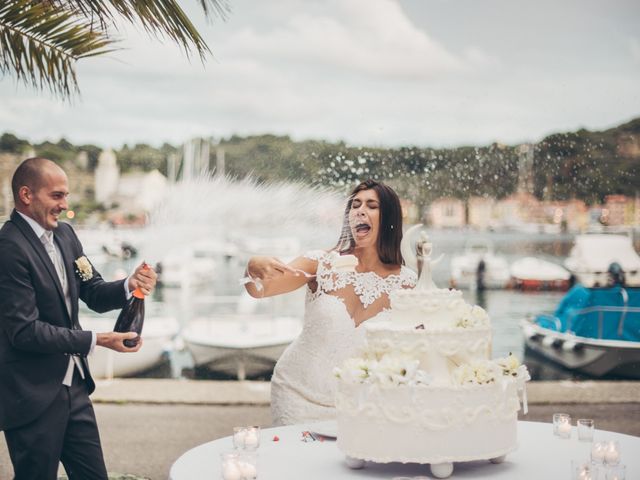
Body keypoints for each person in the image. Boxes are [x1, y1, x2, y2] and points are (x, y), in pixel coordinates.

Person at [0, 158, 157, 480]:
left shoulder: (66, 235)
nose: (65, 204)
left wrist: (130, 285)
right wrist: (97, 340)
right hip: (29, 393)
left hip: (76, 387)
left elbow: (94, 291)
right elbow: (23, 331)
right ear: (27, 195)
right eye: (57, 196)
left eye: (66, 196)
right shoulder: (8, 248)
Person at [244, 179, 417, 425]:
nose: (360, 210)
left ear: (389, 217)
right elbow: (260, 290)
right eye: (355, 205)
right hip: (298, 395)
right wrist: (253, 266)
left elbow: (416, 345)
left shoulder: (408, 283)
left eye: (371, 205)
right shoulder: (320, 263)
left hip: (363, 404)